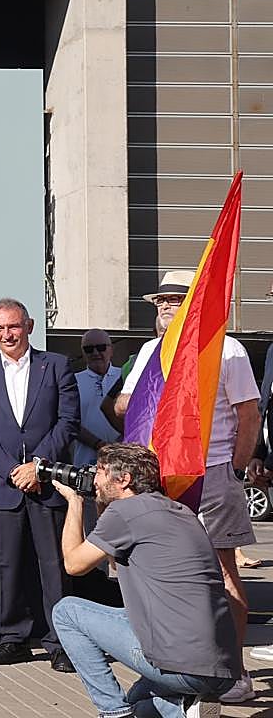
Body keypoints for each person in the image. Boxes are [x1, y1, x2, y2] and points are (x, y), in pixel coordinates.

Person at [114, 270, 261, 703]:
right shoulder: (147, 352)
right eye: (160, 301)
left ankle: (234, 672)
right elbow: (127, 406)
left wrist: (233, 469)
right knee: (160, 571)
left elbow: (248, 415)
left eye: (175, 300)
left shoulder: (227, 349)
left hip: (210, 473)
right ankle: (171, 669)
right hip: (158, 476)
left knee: (221, 570)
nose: (164, 307)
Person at [51, 443, 240, 717]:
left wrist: (75, 502)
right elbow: (116, 565)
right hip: (222, 668)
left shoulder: (125, 513)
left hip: (181, 665)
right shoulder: (180, 510)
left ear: (124, 479)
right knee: (137, 702)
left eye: (101, 471)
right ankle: (185, 708)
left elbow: (73, 564)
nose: (93, 477)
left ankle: (115, 713)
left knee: (67, 612)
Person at [0, 297, 79, 672]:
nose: (6, 334)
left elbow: (68, 423)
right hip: (5, 485)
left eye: (13, 326)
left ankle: (60, 641)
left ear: (28, 325)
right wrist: (14, 470)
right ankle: (13, 637)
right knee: (9, 565)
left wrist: (37, 467)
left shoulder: (57, 365)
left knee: (53, 565)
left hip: (47, 484)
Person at [73, 330, 121, 469]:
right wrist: (98, 444)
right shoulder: (72, 381)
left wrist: (120, 444)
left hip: (122, 459)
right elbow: (69, 421)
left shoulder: (126, 376)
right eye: (89, 349)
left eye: (101, 347)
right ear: (83, 352)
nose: (95, 353)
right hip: (85, 462)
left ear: (111, 349)